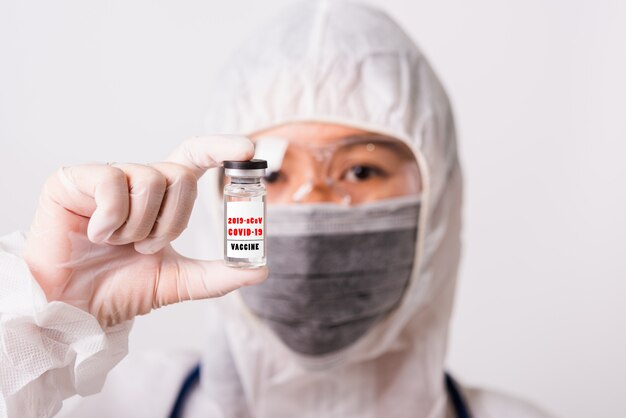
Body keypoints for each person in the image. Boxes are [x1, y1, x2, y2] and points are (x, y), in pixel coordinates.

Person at [0, 1, 554, 417]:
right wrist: (42, 330)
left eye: (361, 170)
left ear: (438, 205)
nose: (312, 198)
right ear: (221, 203)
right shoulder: (105, 407)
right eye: (269, 173)